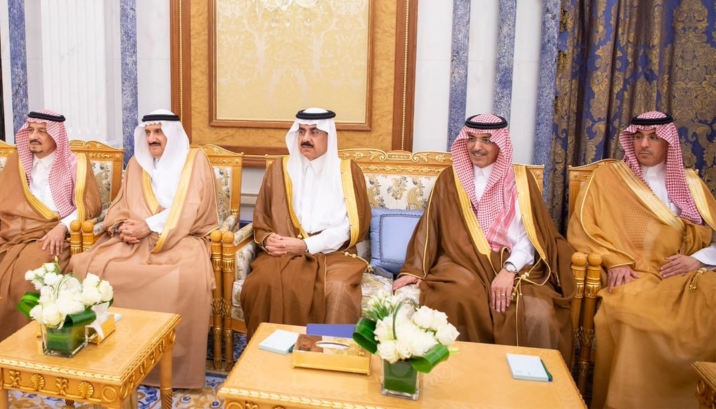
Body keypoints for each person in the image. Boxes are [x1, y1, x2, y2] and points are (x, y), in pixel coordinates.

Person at [392, 114, 576, 363]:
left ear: (500, 143)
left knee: (537, 313)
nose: (476, 147)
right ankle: (462, 373)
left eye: (486, 140)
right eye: (471, 139)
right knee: (457, 297)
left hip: (515, 264)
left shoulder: (520, 180)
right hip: (461, 262)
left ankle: (524, 381)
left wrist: (509, 270)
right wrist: (414, 269)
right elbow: (430, 227)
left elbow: (530, 237)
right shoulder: (450, 179)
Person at [567, 111, 716, 409]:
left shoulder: (691, 184)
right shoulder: (608, 178)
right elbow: (583, 228)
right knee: (633, 315)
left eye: (653, 138)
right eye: (638, 137)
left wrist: (699, 260)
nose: (644, 144)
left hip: (685, 275)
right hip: (635, 273)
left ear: (669, 142)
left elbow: (711, 234)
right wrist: (615, 261)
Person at [0, 109, 102, 375]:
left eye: (41, 131)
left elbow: (90, 206)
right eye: (31, 130)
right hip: (10, 232)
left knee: (25, 275)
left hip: (47, 235)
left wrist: (61, 227)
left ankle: (17, 347)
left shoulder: (75, 165)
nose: (34, 136)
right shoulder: (17, 161)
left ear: (56, 136)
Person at [70, 109, 218, 389]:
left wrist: (147, 226)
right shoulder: (138, 163)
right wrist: (121, 227)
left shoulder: (194, 160)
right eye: (148, 132)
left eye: (158, 132)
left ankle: (169, 361)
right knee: (85, 265)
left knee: (187, 278)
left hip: (181, 237)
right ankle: (106, 356)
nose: (152, 138)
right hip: (135, 240)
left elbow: (190, 208)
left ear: (172, 134)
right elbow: (121, 204)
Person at [240, 108, 371, 338]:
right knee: (262, 282)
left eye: (314, 132)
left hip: (333, 253)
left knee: (338, 290)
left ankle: (327, 354)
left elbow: (351, 226)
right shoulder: (279, 170)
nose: (306, 138)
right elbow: (262, 218)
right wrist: (269, 239)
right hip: (283, 252)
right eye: (301, 132)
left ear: (329, 136)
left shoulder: (347, 172)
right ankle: (270, 352)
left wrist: (306, 245)